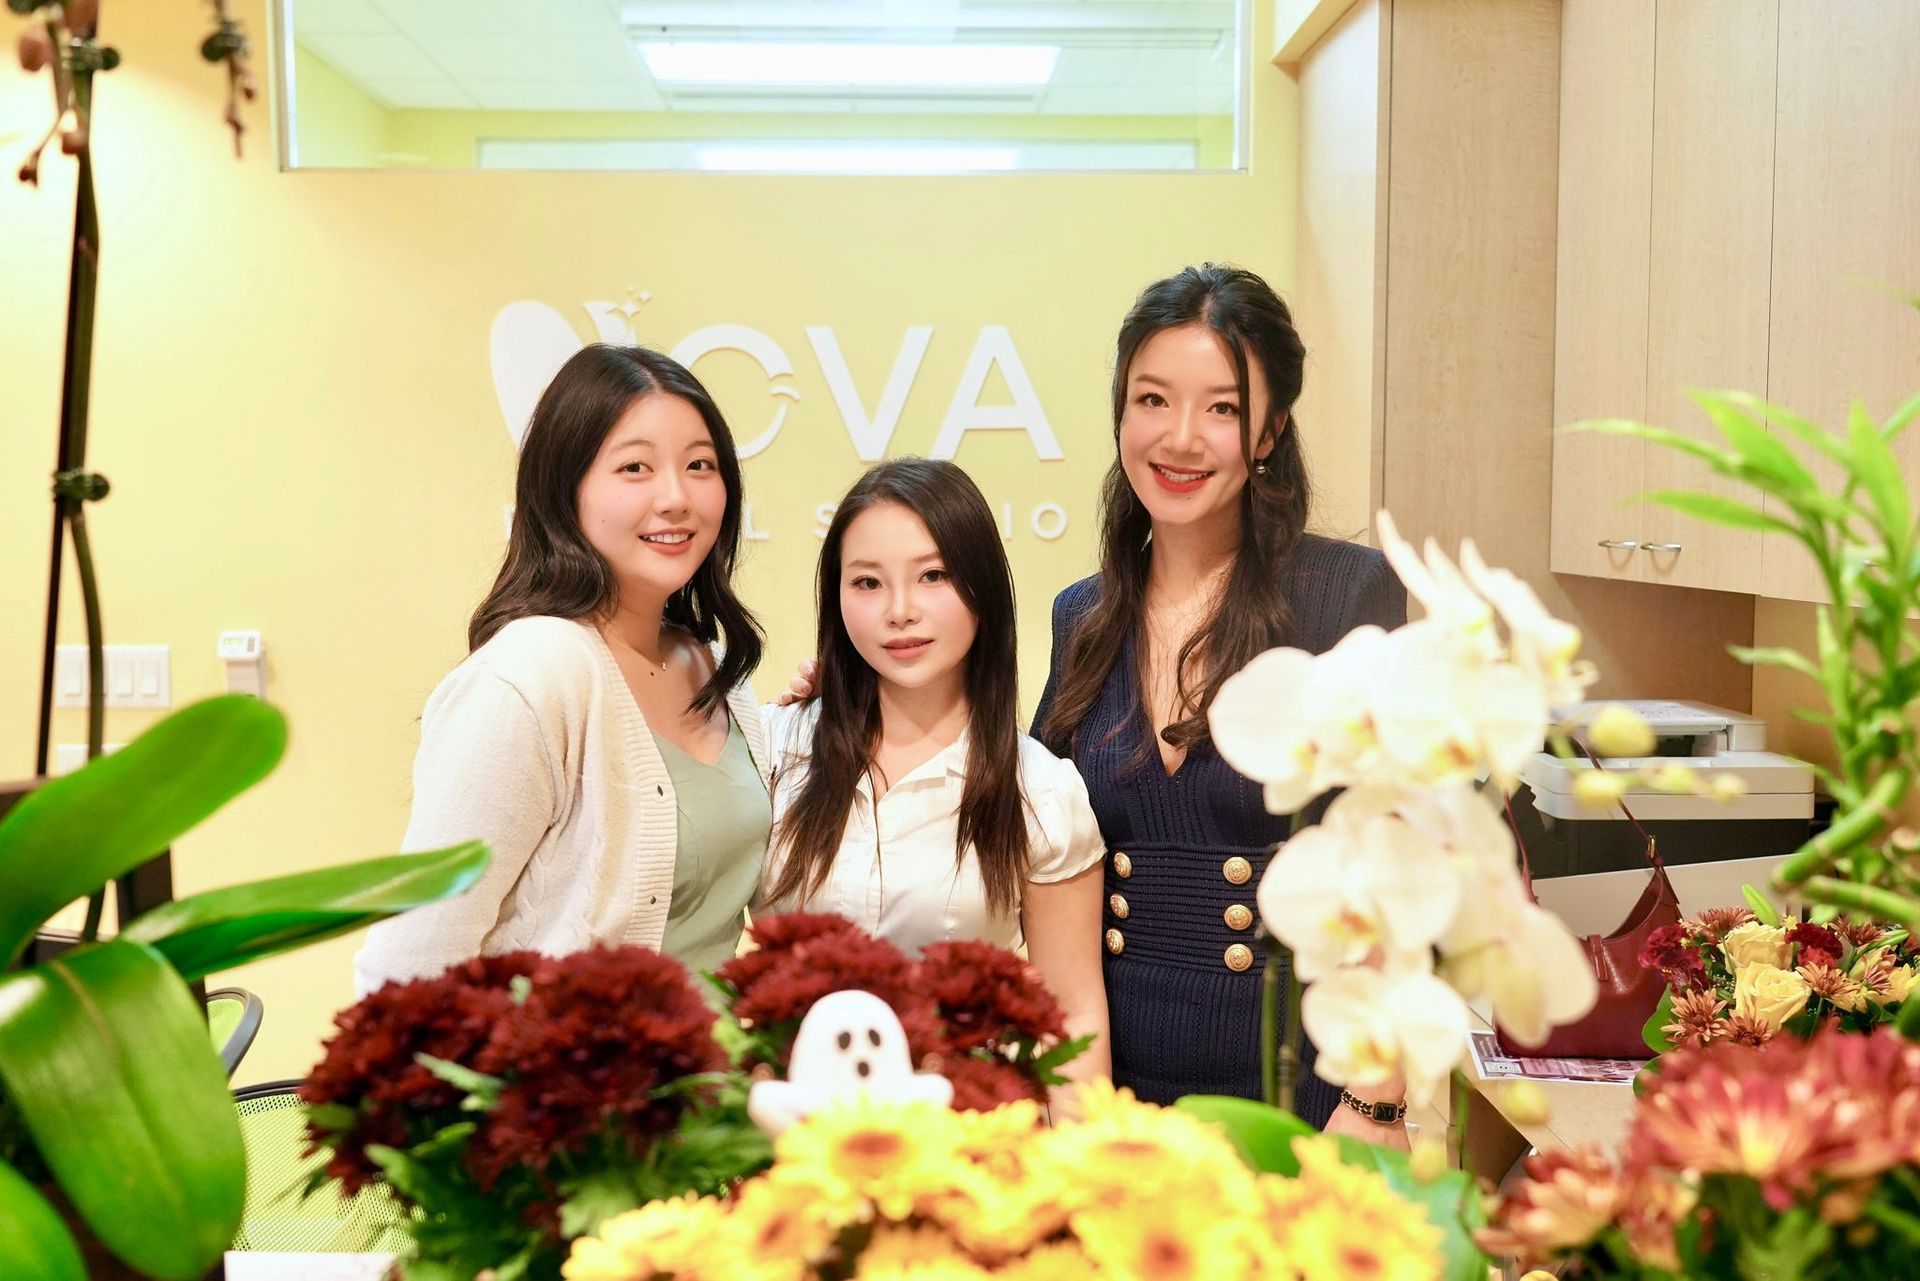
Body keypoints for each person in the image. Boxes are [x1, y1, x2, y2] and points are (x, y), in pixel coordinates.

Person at [1030, 264, 1409, 1142]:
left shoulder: (1346, 596)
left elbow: (1394, 860)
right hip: (1113, 1097)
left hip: (1301, 1090)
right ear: (1121, 414)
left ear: (1271, 429)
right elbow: (1033, 831)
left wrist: (1376, 1097)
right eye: (1152, 400)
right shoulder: (1080, 617)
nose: (1181, 437)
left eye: (1223, 409)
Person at [355, 345, 771, 993]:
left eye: (700, 465)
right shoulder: (529, 678)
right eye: (635, 466)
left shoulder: (714, 669)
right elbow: (409, 963)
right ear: (564, 487)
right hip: (563, 1088)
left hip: (715, 1086)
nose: (676, 497)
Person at [761, 458, 1111, 1087]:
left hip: (961, 1142)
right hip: (783, 1142)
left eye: (933, 576)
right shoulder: (769, 751)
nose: (900, 611)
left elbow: (1072, 1017)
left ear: (983, 589)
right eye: (867, 583)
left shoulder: (1040, 789)